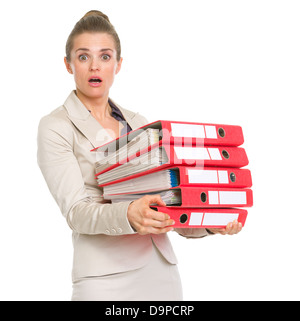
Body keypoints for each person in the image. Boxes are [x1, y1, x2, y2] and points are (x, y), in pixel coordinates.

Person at [37, 10, 243, 301]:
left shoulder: (139, 122)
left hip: (160, 273)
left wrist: (209, 221)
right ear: (68, 64)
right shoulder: (55, 126)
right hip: (103, 278)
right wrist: (129, 214)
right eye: (83, 57)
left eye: (105, 56)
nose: (95, 66)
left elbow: (169, 202)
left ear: (118, 64)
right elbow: (76, 212)